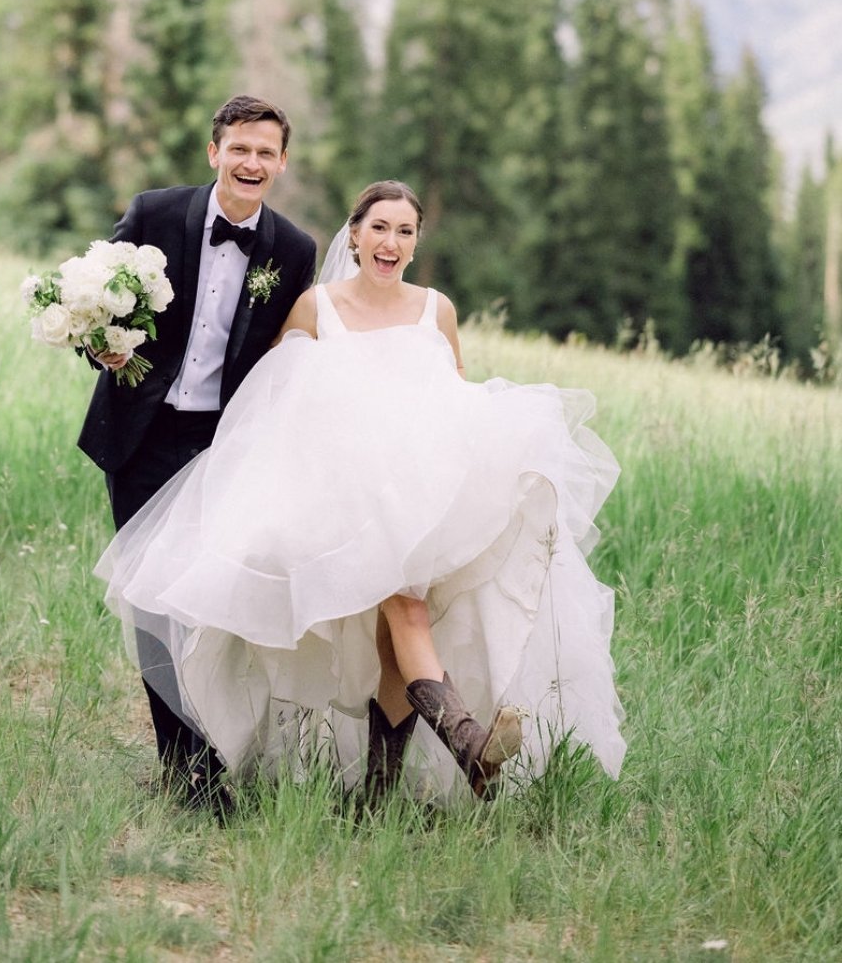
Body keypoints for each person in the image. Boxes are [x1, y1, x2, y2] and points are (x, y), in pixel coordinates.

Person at [95, 180, 625, 804]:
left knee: (401, 620)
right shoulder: (317, 306)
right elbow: (275, 392)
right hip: (343, 498)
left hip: (419, 497)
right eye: (380, 228)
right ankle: (461, 749)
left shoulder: (437, 310)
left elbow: (456, 396)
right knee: (404, 614)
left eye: (404, 231)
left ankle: (389, 789)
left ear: (416, 241)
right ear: (354, 233)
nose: (391, 242)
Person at [78, 95, 317, 803]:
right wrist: (101, 350)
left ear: (280, 164)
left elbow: (287, 356)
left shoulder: (293, 251)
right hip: (141, 436)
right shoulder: (153, 214)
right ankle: (191, 774)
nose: (251, 163)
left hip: (222, 448)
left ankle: (216, 755)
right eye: (239, 148)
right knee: (151, 606)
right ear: (215, 152)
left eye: (265, 152)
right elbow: (103, 309)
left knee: (203, 608)